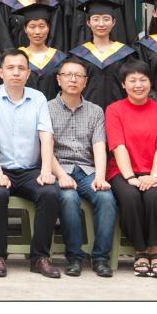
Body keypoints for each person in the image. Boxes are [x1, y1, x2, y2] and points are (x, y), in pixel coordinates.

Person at [0, 49, 61, 278]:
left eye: (21, 68)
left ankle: (39, 257)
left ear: (28, 73)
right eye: (10, 68)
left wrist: (46, 171)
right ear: (0, 72)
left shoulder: (38, 98)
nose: (16, 72)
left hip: (29, 169)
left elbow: (46, 136)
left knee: (50, 193)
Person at [47, 58, 115, 278]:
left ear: (85, 82)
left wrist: (101, 177)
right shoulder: (46, 109)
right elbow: (45, 148)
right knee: (68, 198)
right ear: (59, 80)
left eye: (78, 76)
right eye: (67, 75)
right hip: (59, 168)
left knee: (105, 197)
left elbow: (99, 146)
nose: (73, 79)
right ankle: (74, 257)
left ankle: (100, 258)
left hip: (87, 170)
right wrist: (60, 175)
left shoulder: (95, 111)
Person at [105, 59, 157, 278]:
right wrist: (130, 177)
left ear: (150, 83)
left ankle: (156, 250)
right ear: (123, 84)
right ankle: (140, 250)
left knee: (155, 196)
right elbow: (118, 146)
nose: (138, 85)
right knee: (130, 196)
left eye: (143, 80)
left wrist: (154, 176)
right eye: (132, 80)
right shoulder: (114, 110)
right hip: (122, 171)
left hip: (154, 170)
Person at [67, 0, 136, 110]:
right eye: (96, 19)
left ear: (113, 22)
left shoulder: (125, 54)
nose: (101, 24)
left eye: (106, 19)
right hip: (85, 113)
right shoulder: (79, 55)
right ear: (88, 22)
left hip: (119, 112)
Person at [14, 3, 66, 99]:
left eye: (42, 26)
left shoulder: (59, 58)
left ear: (48, 28)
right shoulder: (17, 57)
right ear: (25, 29)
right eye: (32, 26)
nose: (37, 32)